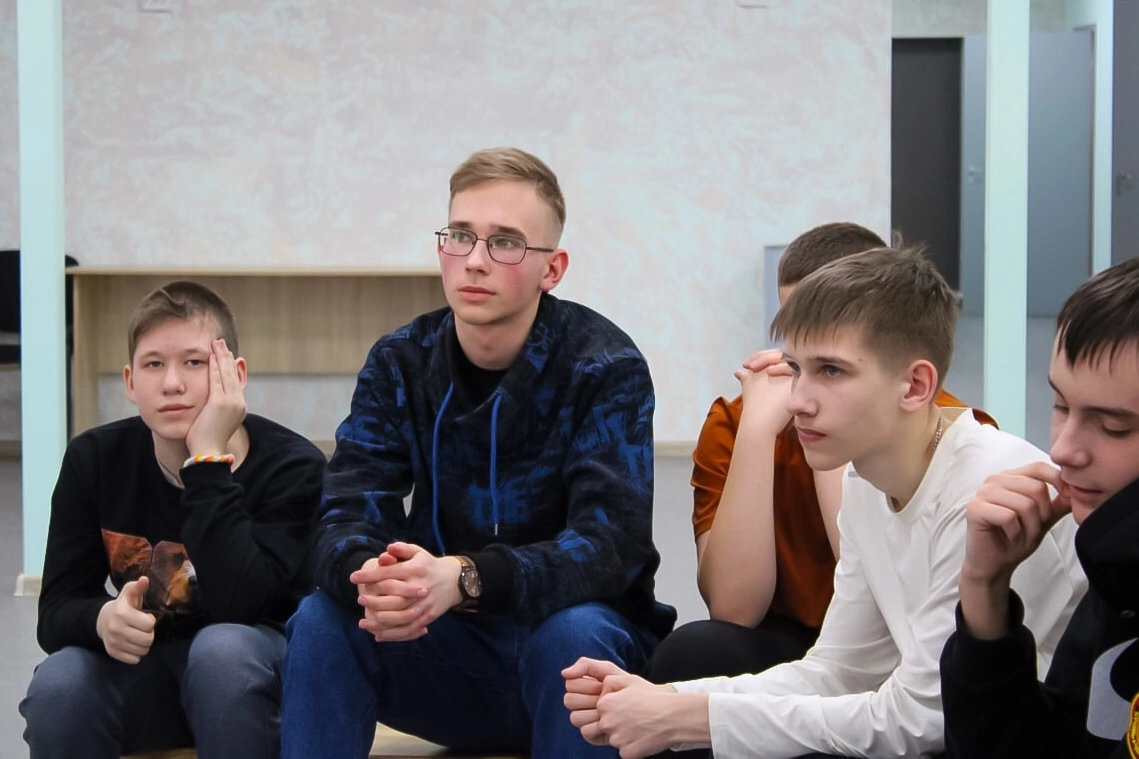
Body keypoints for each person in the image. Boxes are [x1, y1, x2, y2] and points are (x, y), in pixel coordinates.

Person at [564, 247, 1086, 759]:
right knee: (693, 676)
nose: (797, 400)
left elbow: (926, 722)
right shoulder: (865, 480)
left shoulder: (987, 486)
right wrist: (666, 698)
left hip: (1023, 744)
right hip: (945, 729)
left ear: (915, 385)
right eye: (795, 368)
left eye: (831, 371)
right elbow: (837, 672)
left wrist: (686, 719)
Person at [280, 146, 676, 759]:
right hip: (445, 651)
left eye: (506, 243)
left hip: (571, 651)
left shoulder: (604, 366)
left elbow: (609, 548)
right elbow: (345, 513)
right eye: (460, 235)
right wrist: (377, 577)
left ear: (552, 269)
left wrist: (464, 578)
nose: (475, 260)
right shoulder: (400, 361)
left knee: (574, 635)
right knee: (321, 618)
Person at [642, 223, 995, 692]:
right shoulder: (741, 419)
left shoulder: (949, 433)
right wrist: (756, 433)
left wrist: (836, 447)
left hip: (902, 645)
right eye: (795, 349)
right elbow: (734, 609)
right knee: (693, 652)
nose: (800, 390)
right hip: (795, 640)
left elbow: (895, 618)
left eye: (830, 364)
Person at [20, 280, 326, 759]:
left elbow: (245, 606)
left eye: (194, 362)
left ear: (234, 375)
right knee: (61, 683)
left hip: (254, 680)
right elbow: (56, 610)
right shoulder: (94, 459)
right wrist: (102, 619)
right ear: (130, 382)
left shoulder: (294, 468)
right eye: (154, 364)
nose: (171, 384)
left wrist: (206, 463)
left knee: (221, 652)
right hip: (147, 678)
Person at [940, 256, 1139, 758]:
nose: (1063, 449)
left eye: (1113, 427)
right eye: (1061, 406)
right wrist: (984, 589)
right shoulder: (1117, 575)